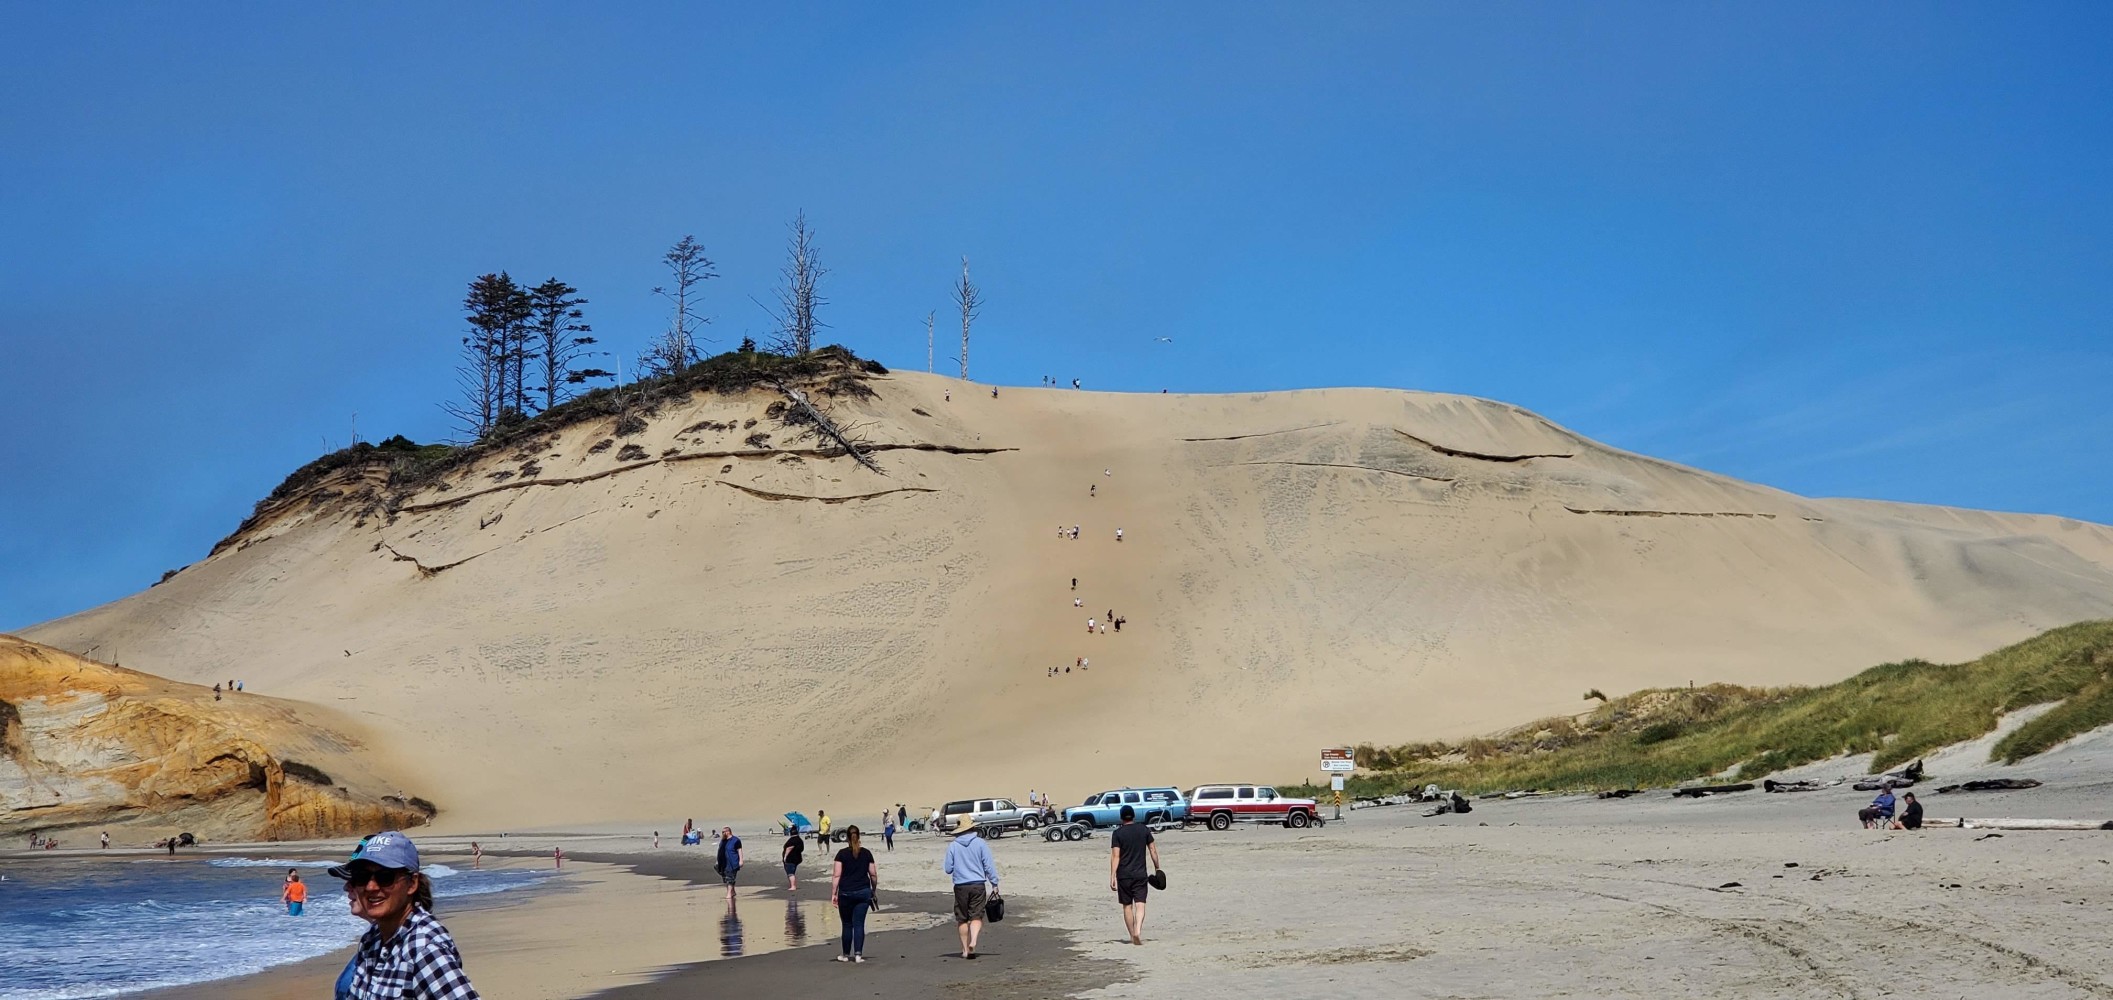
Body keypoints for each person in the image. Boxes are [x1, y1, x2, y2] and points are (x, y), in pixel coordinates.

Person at [330, 830, 479, 999]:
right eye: (361, 877)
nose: (371, 887)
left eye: (385, 877)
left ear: (412, 884)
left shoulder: (424, 948)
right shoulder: (372, 939)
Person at [942, 815, 1000, 959]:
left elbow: (948, 869)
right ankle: (973, 941)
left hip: (960, 886)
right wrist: (994, 883)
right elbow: (988, 865)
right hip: (977, 885)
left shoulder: (953, 846)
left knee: (962, 918)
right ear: (972, 827)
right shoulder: (980, 843)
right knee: (976, 915)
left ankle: (964, 950)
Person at [1109, 805, 1163, 945]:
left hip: (1124, 875)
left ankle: (1132, 936)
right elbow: (1153, 849)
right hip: (1140, 874)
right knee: (1140, 904)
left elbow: (1116, 856)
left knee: (1127, 906)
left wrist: (1112, 876)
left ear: (1121, 817)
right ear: (1133, 816)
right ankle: (1138, 930)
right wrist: (1157, 868)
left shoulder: (1117, 833)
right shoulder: (1143, 829)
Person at [831, 825, 879, 963]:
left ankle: (845, 955)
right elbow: (873, 874)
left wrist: (834, 893)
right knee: (859, 924)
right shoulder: (866, 853)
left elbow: (836, 875)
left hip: (846, 893)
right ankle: (858, 955)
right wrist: (873, 889)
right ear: (859, 836)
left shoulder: (841, 854)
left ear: (847, 837)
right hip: (863, 892)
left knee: (847, 924)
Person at [717, 827, 743, 900]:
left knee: (730, 878)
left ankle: (729, 894)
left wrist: (741, 860)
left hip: (732, 862)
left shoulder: (736, 840)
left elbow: (739, 850)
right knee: (725, 878)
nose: (722, 833)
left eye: (724, 832)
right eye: (722, 832)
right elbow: (720, 851)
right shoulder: (723, 841)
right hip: (723, 863)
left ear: (728, 832)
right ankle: (733, 891)